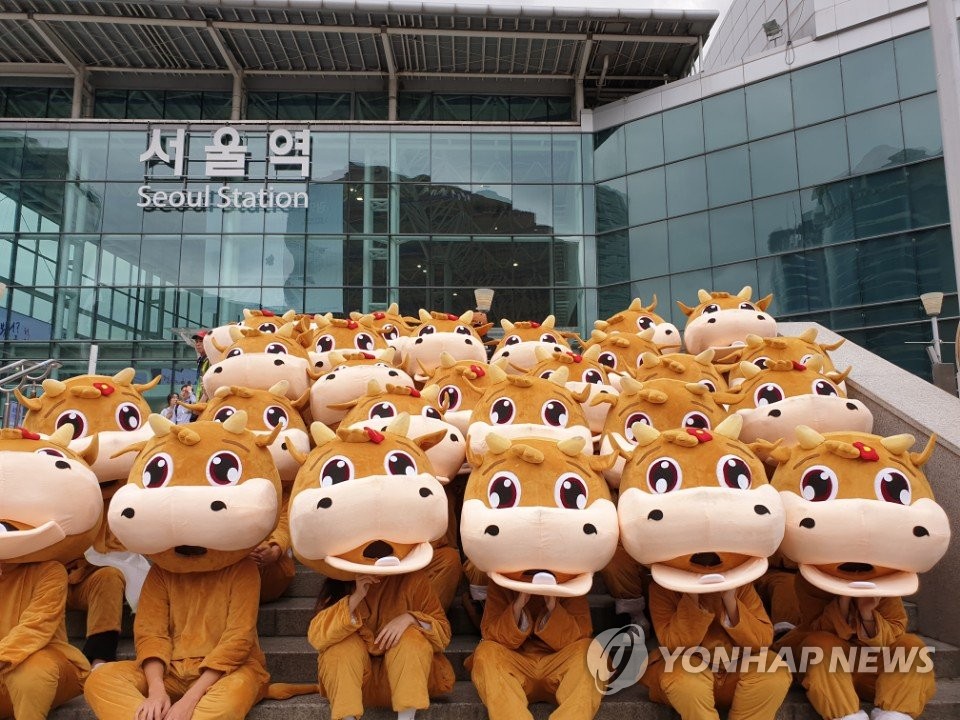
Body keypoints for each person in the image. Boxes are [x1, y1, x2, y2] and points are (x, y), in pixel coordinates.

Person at [190, 331, 209, 420]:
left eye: (201, 341)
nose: (198, 344)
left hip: (207, 403)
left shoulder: (210, 359)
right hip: (200, 403)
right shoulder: (201, 360)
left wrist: (203, 399)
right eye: (196, 342)